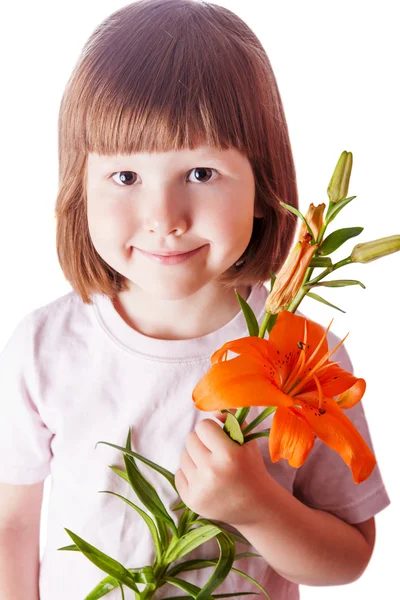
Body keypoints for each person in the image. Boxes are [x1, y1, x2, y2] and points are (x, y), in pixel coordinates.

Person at [0, 0, 390, 599]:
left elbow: (350, 556)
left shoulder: (309, 357)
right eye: (126, 177)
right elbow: (13, 526)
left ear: (265, 190)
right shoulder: (42, 347)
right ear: (80, 189)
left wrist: (258, 508)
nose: (164, 218)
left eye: (202, 173)